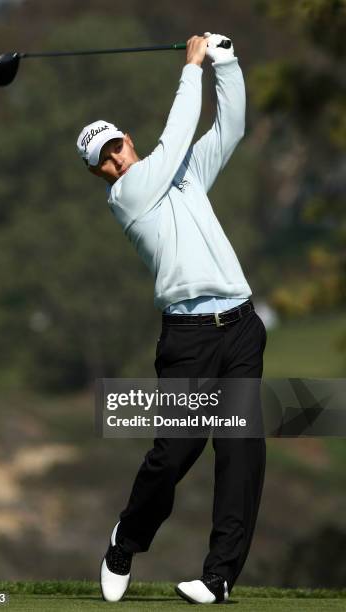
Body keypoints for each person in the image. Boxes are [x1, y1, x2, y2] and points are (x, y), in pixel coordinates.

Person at [77, 33, 267, 605]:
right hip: (186, 338)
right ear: (101, 173)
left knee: (240, 450)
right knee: (176, 451)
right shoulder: (130, 194)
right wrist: (191, 68)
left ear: (125, 139)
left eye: (116, 145)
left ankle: (219, 576)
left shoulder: (183, 176)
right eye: (104, 159)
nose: (115, 158)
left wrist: (225, 60)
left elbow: (228, 127)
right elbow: (179, 132)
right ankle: (126, 538)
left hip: (238, 327)